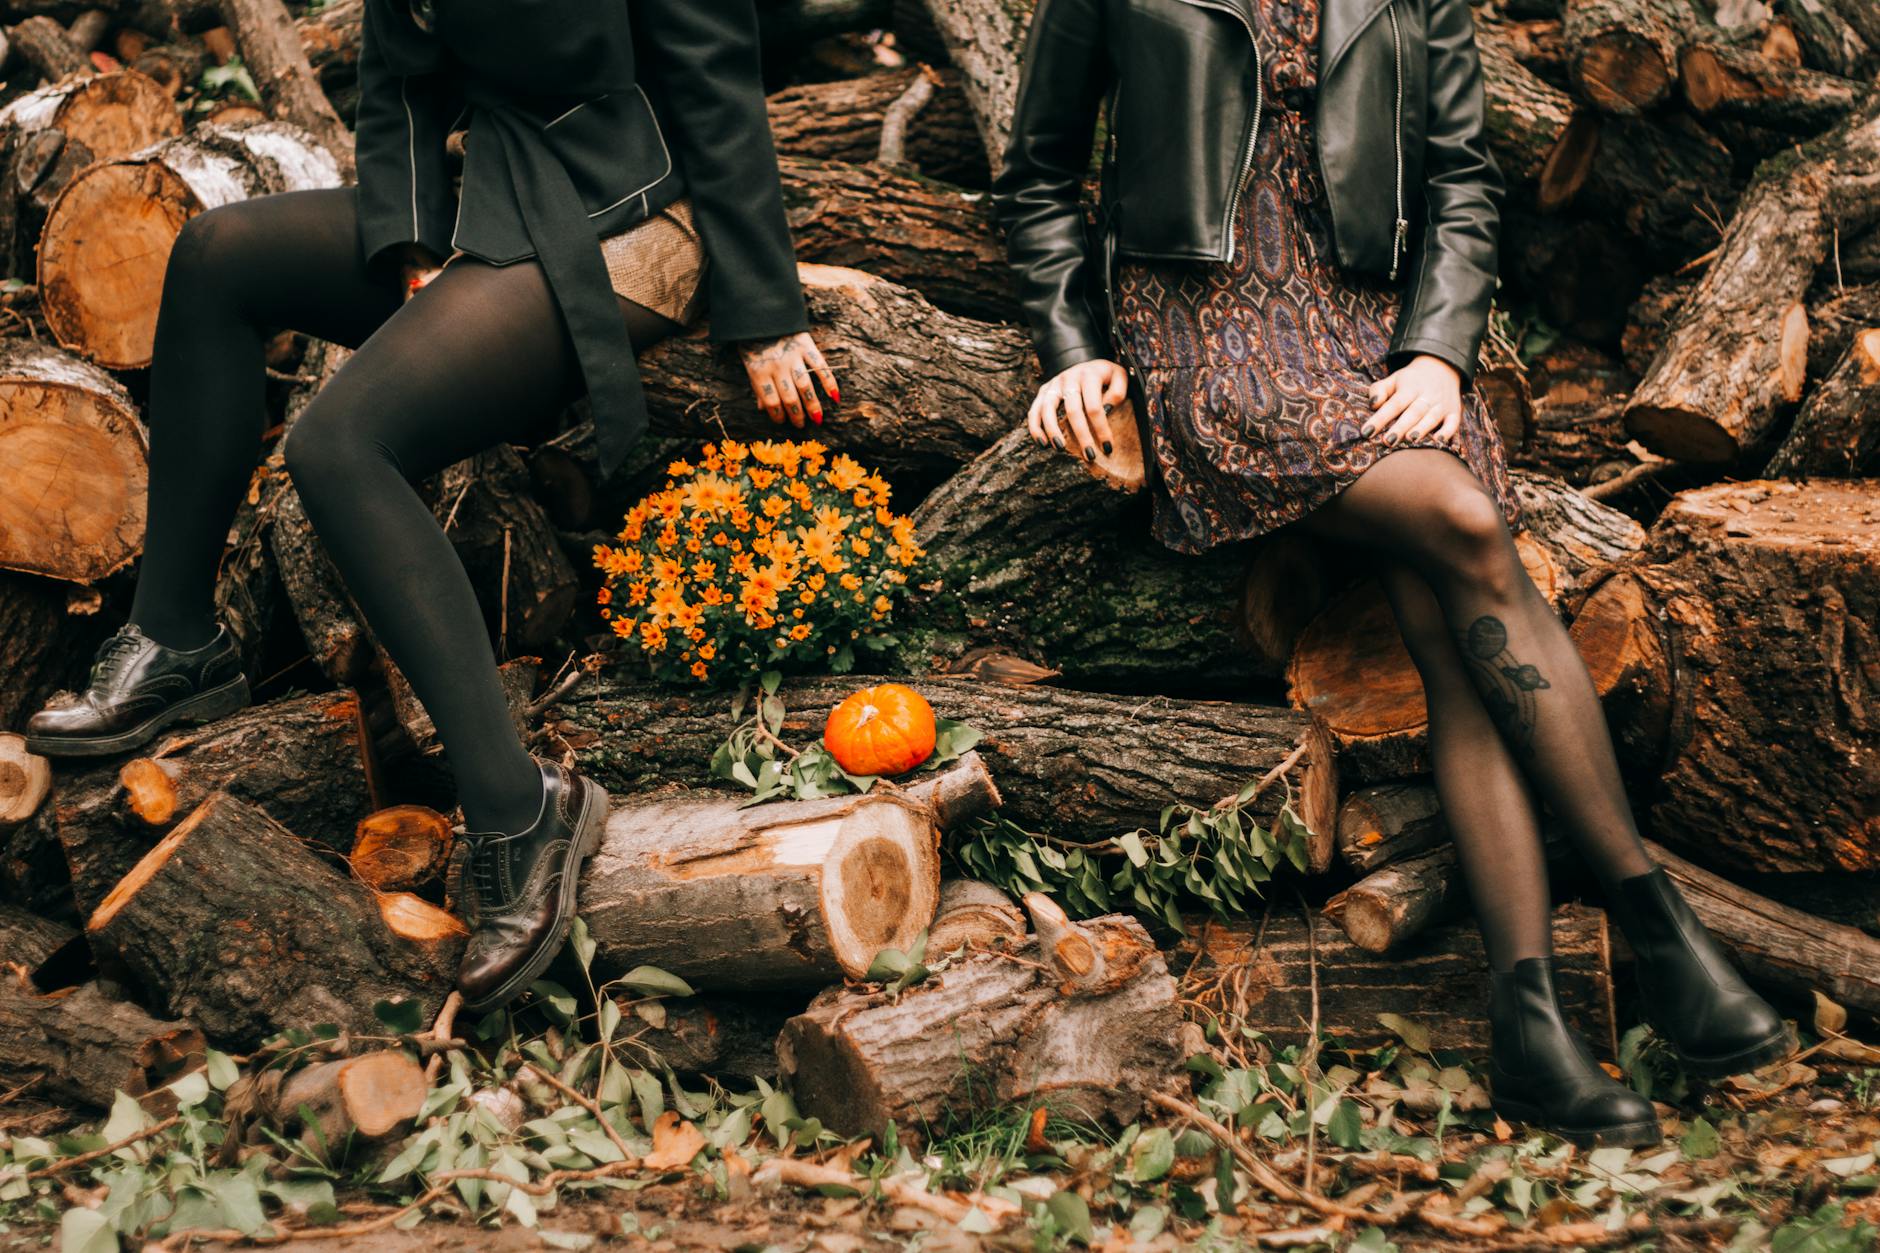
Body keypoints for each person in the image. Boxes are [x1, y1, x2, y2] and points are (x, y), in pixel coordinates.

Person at [989, 0, 1791, 1146]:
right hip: (1202, 326)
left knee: (1448, 633)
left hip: (1372, 333)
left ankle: (1529, 1028)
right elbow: (1037, 174)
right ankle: (1651, 920)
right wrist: (1070, 349)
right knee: (1462, 520)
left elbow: (1460, 176)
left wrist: (1438, 350)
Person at [21, 0, 837, 1015]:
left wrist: (766, 310)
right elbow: (401, 81)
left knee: (339, 442)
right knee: (216, 255)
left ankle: (519, 803)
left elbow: (716, 82)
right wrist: (408, 243)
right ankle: (178, 640)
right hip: (494, 192)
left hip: (640, 210)